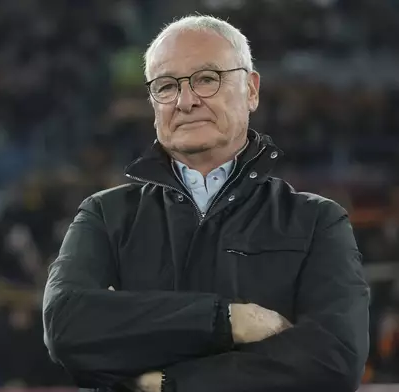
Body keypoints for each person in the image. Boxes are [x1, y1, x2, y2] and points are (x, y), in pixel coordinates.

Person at [42, 14, 370, 392]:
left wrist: (169, 382)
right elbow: (67, 328)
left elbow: (334, 357)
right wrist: (228, 321)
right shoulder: (104, 215)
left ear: (251, 89)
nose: (185, 101)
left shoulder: (317, 221)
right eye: (166, 86)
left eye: (207, 79)